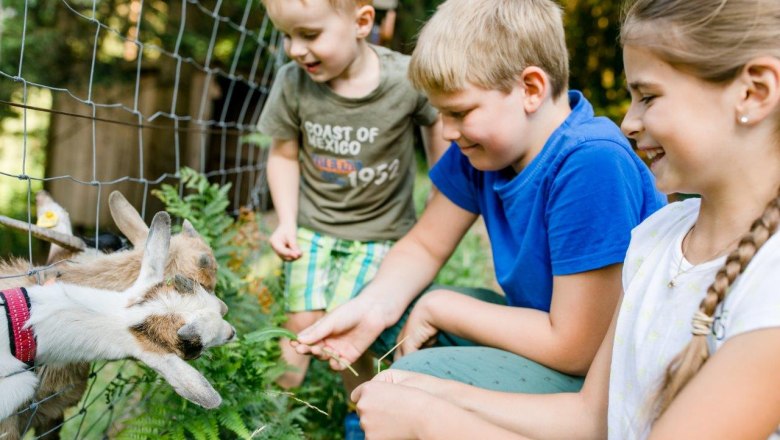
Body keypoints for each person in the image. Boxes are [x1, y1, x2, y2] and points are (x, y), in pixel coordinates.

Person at [350, 0, 780, 438]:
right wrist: (429, 395)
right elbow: (591, 419)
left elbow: (577, 353)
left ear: (754, 91)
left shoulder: (770, 288)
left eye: (648, 96)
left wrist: (431, 420)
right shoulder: (658, 239)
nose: (628, 122)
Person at [294, 0, 665, 398]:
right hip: (550, 339)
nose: (448, 131)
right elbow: (425, 245)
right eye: (441, 114)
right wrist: (370, 309)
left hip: (607, 376)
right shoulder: (483, 150)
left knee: (414, 380)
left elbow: (577, 347)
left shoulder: (591, 163)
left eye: (459, 111)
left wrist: (442, 306)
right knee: (384, 316)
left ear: (530, 89)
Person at [257, 0, 447, 395]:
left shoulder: (405, 79)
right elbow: (283, 154)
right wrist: (287, 221)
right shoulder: (292, 83)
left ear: (362, 23)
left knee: (351, 330)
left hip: (381, 233)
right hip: (313, 227)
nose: (295, 49)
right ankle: (271, 414)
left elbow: (436, 125)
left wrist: (441, 194)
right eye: (287, 36)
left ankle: (362, 410)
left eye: (309, 35)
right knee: (301, 324)